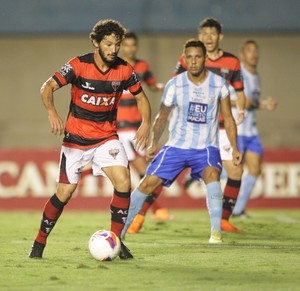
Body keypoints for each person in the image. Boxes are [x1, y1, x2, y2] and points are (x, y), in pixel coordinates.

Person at [28, 19, 151, 260]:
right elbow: (47, 87)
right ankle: (39, 242)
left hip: (106, 137)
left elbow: (142, 98)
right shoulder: (78, 65)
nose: (113, 49)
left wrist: (146, 123)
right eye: (108, 44)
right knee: (64, 193)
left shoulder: (125, 70)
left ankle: (116, 240)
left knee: (124, 182)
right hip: (76, 140)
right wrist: (52, 112)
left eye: (117, 44)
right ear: (96, 42)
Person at [121, 39, 242, 244]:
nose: (193, 61)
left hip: (206, 147)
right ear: (184, 59)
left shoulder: (219, 84)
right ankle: (120, 231)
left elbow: (228, 119)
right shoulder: (175, 84)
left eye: (197, 57)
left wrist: (235, 147)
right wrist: (153, 143)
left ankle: (216, 232)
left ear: (204, 58)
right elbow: (161, 117)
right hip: (176, 146)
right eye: (189, 57)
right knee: (147, 183)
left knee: (212, 174)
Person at [174, 17, 246, 232]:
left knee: (235, 171)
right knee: (160, 172)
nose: (208, 37)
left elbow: (240, 91)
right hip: (193, 125)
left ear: (220, 36)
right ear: (199, 36)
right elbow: (175, 86)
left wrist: (240, 110)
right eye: (204, 33)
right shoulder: (188, 59)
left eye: (212, 33)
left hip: (221, 126)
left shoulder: (232, 62)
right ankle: (141, 214)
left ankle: (223, 219)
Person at [117, 32, 172, 233]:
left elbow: (152, 85)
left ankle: (148, 211)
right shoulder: (114, 65)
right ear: (122, 46)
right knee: (145, 172)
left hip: (136, 127)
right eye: (127, 45)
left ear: (136, 46)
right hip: (121, 129)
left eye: (133, 45)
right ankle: (151, 211)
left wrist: (164, 87)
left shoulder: (142, 67)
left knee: (142, 172)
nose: (130, 48)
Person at [232, 40, 277, 216]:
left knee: (255, 170)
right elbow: (225, 99)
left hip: (251, 131)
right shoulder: (238, 73)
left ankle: (238, 210)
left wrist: (265, 105)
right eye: (249, 51)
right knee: (233, 170)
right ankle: (197, 173)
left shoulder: (256, 76)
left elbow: (252, 103)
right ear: (243, 54)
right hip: (238, 129)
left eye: (255, 51)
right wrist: (241, 102)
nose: (253, 54)